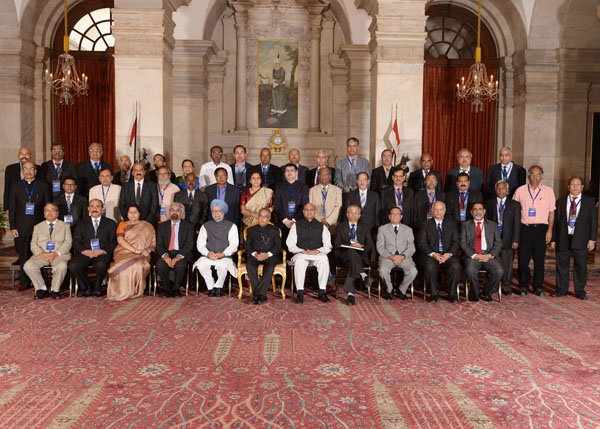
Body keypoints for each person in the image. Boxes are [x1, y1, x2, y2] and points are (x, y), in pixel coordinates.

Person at [550, 177, 597, 300]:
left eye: (578, 185)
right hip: (563, 238)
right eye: (572, 184)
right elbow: (556, 223)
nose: (575, 187)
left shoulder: (589, 202)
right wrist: (554, 239)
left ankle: (580, 290)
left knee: (580, 266)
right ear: (568, 187)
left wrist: (592, 240)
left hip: (581, 238)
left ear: (582, 187)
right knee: (561, 265)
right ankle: (561, 289)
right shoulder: (560, 202)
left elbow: (593, 222)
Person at [512, 165, 556, 296]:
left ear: (541, 176)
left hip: (541, 229)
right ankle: (523, 286)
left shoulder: (549, 191)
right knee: (523, 260)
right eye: (533, 174)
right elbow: (514, 211)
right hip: (524, 229)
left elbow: (551, 213)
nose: (535, 177)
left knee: (539, 260)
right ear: (528, 176)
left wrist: (549, 231)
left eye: (538, 175)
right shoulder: (520, 191)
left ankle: (538, 286)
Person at [9, 161, 51, 290]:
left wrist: (48, 226)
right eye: (25, 169)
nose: (28, 171)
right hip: (21, 227)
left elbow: (48, 207)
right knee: (23, 255)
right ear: (22, 171)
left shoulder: (43, 186)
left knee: (40, 254)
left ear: (35, 171)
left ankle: (43, 281)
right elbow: (12, 207)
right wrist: (13, 227)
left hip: (39, 226)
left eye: (31, 169)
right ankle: (24, 281)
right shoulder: (16, 186)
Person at [69, 199, 117, 297]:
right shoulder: (81, 223)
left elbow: (113, 242)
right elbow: (76, 241)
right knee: (73, 266)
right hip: (85, 252)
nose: (95, 209)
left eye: (98, 206)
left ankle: (97, 287)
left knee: (101, 265)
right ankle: (87, 287)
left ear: (102, 209)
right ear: (88, 209)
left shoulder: (111, 223)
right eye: (92, 206)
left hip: (102, 252)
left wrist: (102, 251)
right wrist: (83, 251)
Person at [107, 204, 156, 300]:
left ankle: (135, 291)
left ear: (139, 214)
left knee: (139, 265)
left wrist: (148, 251)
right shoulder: (122, 224)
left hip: (142, 253)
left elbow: (153, 244)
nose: (133, 215)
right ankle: (121, 292)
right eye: (130, 212)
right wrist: (135, 250)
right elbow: (120, 240)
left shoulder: (147, 226)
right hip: (123, 251)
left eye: (135, 212)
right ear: (127, 214)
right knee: (120, 264)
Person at [286, 203, 333, 303]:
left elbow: (328, 245)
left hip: (317, 253)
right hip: (301, 253)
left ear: (315, 212)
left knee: (324, 259)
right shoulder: (296, 226)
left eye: (311, 209)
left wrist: (318, 251)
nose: (309, 211)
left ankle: (322, 291)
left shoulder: (322, 227)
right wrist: (302, 250)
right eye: (306, 209)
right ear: (303, 212)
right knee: (299, 261)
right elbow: (290, 244)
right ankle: (300, 292)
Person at [24, 203, 71, 300]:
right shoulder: (37, 227)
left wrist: (56, 253)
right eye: (47, 210)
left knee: (62, 266)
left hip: (59, 255)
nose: (49, 213)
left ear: (57, 213)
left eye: (52, 210)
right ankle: (42, 289)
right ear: (44, 214)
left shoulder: (65, 226)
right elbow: (33, 244)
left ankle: (55, 290)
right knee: (28, 266)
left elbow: (68, 242)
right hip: (42, 255)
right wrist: (40, 254)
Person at [416, 201, 461, 303]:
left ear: (444, 211)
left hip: (448, 255)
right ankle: (433, 293)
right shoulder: (425, 224)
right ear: (432, 211)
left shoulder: (452, 224)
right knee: (429, 266)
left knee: (456, 266)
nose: (438, 212)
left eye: (441, 209)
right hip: (432, 255)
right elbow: (422, 243)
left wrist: (448, 254)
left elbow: (456, 242)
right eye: (436, 209)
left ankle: (452, 294)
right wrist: (433, 254)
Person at [193, 200, 239, 297]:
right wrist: (207, 253)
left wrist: (222, 254)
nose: (216, 213)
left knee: (222, 266)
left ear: (223, 212)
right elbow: (200, 244)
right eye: (214, 211)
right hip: (209, 255)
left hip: (224, 256)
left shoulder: (232, 226)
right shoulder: (205, 226)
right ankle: (211, 287)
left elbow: (234, 245)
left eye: (219, 211)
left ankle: (218, 287)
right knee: (201, 265)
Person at [460, 202, 504, 302]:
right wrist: (474, 255)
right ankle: (476, 293)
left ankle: (486, 292)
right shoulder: (465, 225)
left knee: (499, 271)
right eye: (475, 209)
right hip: (473, 256)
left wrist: (490, 255)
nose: (478, 211)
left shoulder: (493, 225)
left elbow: (498, 243)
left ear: (484, 211)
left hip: (488, 255)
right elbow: (463, 244)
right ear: (471, 212)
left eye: (480, 209)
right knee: (470, 270)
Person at [484, 180, 520, 295]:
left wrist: (516, 239)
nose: (501, 190)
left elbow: (517, 224)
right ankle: (493, 285)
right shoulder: (489, 203)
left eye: (503, 188)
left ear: (507, 190)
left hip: (508, 238)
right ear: (495, 190)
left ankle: (506, 286)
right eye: (498, 188)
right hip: (492, 239)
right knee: (491, 262)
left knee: (507, 264)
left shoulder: (514, 204)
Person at [334, 205, 374, 306]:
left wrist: (361, 246)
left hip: (361, 256)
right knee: (351, 251)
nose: (353, 214)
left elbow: (370, 245)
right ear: (347, 214)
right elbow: (337, 244)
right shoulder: (340, 226)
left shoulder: (365, 227)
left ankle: (350, 294)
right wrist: (350, 245)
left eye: (356, 212)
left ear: (359, 215)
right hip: (345, 257)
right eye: (351, 212)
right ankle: (363, 275)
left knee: (354, 259)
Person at [376, 207, 418, 300]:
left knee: (413, 271)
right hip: (387, 257)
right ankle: (389, 289)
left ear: (401, 216)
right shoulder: (382, 229)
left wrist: (402, 256)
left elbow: (411, 247)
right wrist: (390, 256)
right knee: (382, 270)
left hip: (404, 257)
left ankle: (401, 290)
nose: (395, 215)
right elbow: (380, 247)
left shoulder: (408, 230)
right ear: (389, 216)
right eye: (393, 213)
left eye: (397, 213)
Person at [156, 203, 195, 298]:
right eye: (172, 210)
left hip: (181, 253)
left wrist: (177, 257)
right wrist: (166, 257)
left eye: (177, 210)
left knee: (180, 265)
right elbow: (159, 245)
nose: (174, 212)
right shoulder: (162, 226)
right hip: (167, 252)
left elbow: (189, 244)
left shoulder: (188, 226)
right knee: (160, 265)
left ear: (181, 213)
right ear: (169, 212)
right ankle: (167, 289)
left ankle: (176, 289)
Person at [245, 208, 282, 305]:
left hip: (269, 256)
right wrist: (255, 254)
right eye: (260, 216)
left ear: (269, 218)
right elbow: (247, 247)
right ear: (258, 217)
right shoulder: (250, 230)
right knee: (250, 265)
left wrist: (267, 254)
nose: (262, 219)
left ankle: (256, 295)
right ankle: (261, 295)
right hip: (255, 255)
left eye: (265, 217)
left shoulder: (275, 230)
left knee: (269, 267)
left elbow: (277, 246)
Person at [274, 163, 309, 245]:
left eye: (292, 170)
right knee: (282, 247)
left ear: (296, 173)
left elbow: (304, 206)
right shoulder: (279, 186)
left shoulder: (303, 187)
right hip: (282, 223)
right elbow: (277, 206)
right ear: (284, 173)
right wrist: (285, 220)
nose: (289, 173)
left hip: (298, 222)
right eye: (287, 171)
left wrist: (294, 220)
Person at [4, 147, 40, 218]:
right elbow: (7, 189)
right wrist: (7, 208)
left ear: (31, 156)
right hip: (16, 205)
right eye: (21, 154)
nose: (24, 156)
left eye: (27, 154)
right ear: (18, 155)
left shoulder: (39, 168)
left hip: (34, 206)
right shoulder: (10, 169)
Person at [344, 172, 380, 236]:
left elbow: (377, 213)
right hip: (354, 226)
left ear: (368, 181)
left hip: (371, 228)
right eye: (360, 180)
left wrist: (377, 228)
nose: (362, 182)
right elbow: (346, 212)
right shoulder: (350, 195)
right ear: (357, 181)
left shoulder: (375, 195)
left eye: (364, 180)